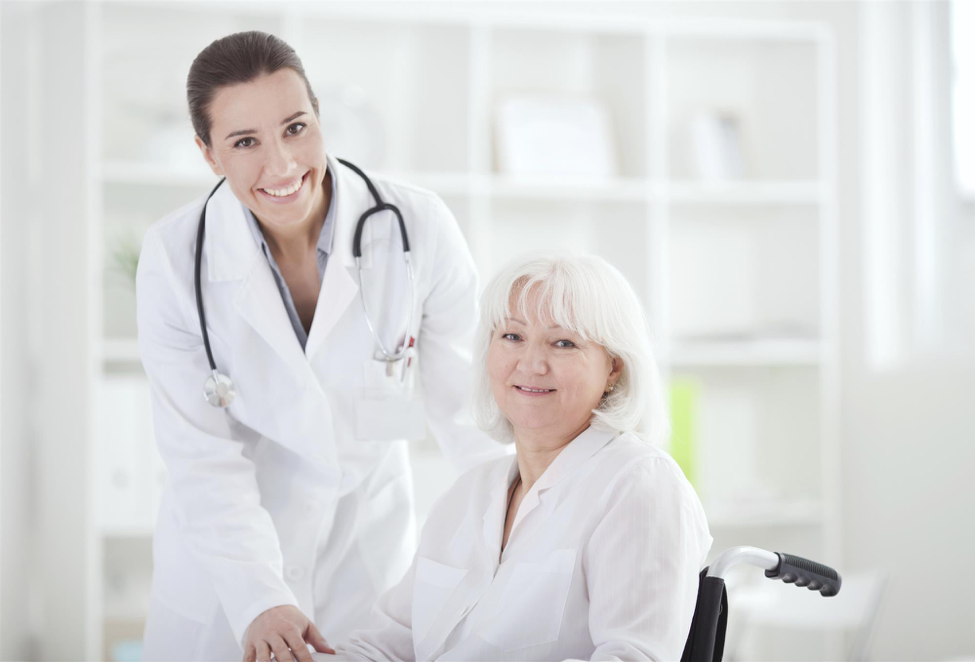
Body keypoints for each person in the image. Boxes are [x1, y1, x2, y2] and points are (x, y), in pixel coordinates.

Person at [136, 31, 505, 662]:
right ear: (207, 153)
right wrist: (258, 596)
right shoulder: (175, 260)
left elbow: (470, 414)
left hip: (366, 560)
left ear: (318, 118)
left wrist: (528, 535)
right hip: (225, 584)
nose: (281, 164)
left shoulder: (417, 228)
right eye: (245, 141)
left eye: (296, 127)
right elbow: (201, 456)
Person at [326, 254, 714, 661]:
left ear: (613, 368)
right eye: (512, 337)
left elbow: (633, 656)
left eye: (563, 342)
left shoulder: (639, 486)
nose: (531, 363)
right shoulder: (470, 493)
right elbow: (385, 646)